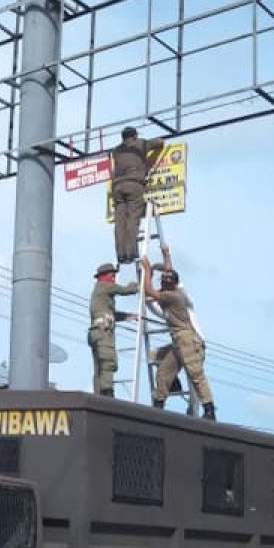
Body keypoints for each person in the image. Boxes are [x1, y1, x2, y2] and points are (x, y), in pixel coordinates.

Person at [141, 244, 217, 420]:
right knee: (162, 372)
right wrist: (166, 255)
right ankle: (158, 406)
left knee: (196, 375)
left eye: (164, 282)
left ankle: (209, 409)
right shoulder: (168, 297)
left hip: (189, 339)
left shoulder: (175, 295)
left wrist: (147, 272)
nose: (163, 282)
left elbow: (149, 290)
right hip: (178, 342)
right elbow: (165, 278)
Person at [110, 126, 165, 264]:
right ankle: (130, 252)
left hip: (117, 188)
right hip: (134, 185)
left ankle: (120, 254)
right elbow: (159, 142)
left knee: (119, 222)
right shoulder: (140, 144)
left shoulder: (116, 151)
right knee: (132, 219)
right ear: (134, 136)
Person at [88, 262, 138, 397]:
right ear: (103, 276)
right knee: (107, 361)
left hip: (97, 331)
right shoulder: (105, 286)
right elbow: (127, 290)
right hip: (103, 331)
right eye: (112, 275)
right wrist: (138, 283)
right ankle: (106, 393)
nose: (114, 278)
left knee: (100, 366)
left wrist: (129, 316)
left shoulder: (100, 293)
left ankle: (100, 393)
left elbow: (111, 314)